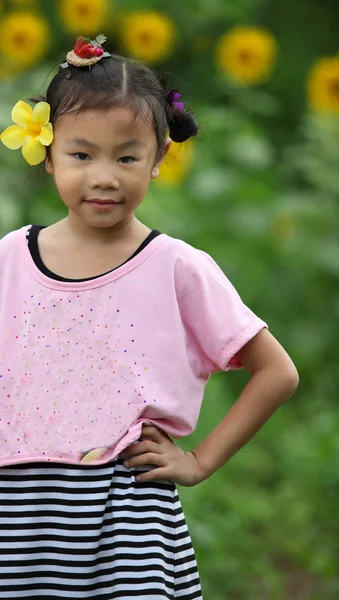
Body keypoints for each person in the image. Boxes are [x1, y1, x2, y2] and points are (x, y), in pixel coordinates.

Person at [0, 34, 299, 600]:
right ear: (46, 151)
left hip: (127, 519)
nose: (105, 176)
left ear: (159, 158)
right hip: (17, 519)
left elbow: (277, 372)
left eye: (127, 156)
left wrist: (199, 460)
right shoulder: (10, 259)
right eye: (81, 154)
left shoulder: (179, 268)